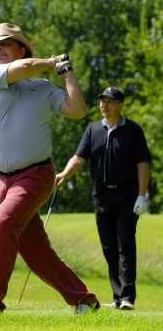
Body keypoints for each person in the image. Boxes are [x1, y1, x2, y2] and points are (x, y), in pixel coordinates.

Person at [0, 22, 99, 315]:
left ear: (21, 48)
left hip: (36, 174)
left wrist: (66, 72)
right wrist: (52, 62)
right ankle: (84, 300)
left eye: (5, 43)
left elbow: (77, 110)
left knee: (3, 225)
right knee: (36, 252)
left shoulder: (41, 88)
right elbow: (24, 68)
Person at [55, 86, 151, 310]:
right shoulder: (93, 130)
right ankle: (118, 297)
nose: (103, 105)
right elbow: (79, 158)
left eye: (108, 101)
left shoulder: (133, 131)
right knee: (109, 248)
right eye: (101, 101)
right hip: (102, 196)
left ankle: (128, 297)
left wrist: (142, 195)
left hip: (127, 196)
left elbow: (143, 164)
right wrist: (64, 174)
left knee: (125, 246)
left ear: (120, 104)